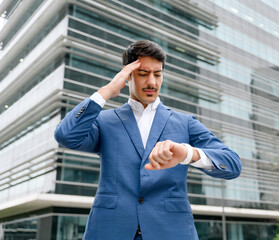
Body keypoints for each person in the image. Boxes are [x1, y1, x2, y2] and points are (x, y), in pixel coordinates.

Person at [54, 40, 242, 240]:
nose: (152, 82)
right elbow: (66, 135)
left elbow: (232, 164)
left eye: (158, 74)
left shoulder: (185, 123)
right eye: (143, 74)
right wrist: (106, 92)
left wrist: (187, 154)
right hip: (110, 230)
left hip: (171, 231)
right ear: (127, 75)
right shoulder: (104, 121)